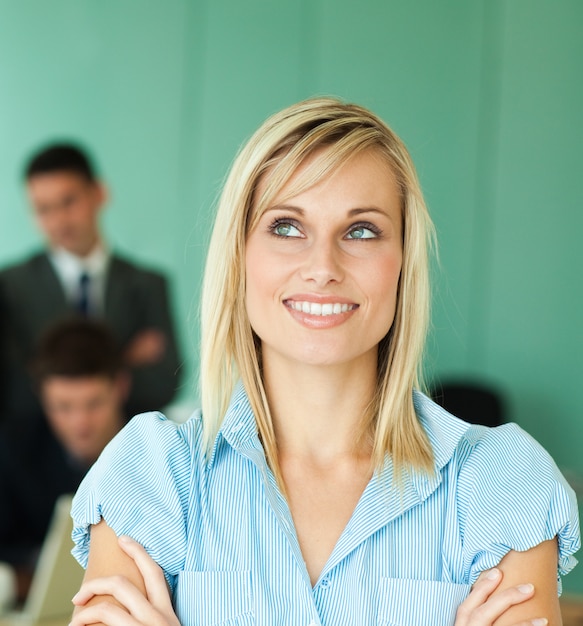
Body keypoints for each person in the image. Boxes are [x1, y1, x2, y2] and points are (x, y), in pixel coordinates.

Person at [69, 99, 579, 626]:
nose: (322, 267)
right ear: (240, 254)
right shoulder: (151, 473)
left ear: (404, 262)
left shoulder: (502, 482)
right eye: (287, 226)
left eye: (361, 231)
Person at [0, 142, 181, 425]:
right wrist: (123, 360)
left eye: (68, 202)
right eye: (43, 209)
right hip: (34, 459)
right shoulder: (10, 286)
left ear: (98, 193)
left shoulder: (148, 284)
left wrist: (48, 373)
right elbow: (14, 391)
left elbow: (165, 383)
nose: (59, 220)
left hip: (126, 448)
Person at [0, 317, 128, 602]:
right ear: (41, 397)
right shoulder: (14, 449)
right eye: (63, 407)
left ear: (121, 387)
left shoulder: (156, 444)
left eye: (94, 403)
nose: (80, 423)